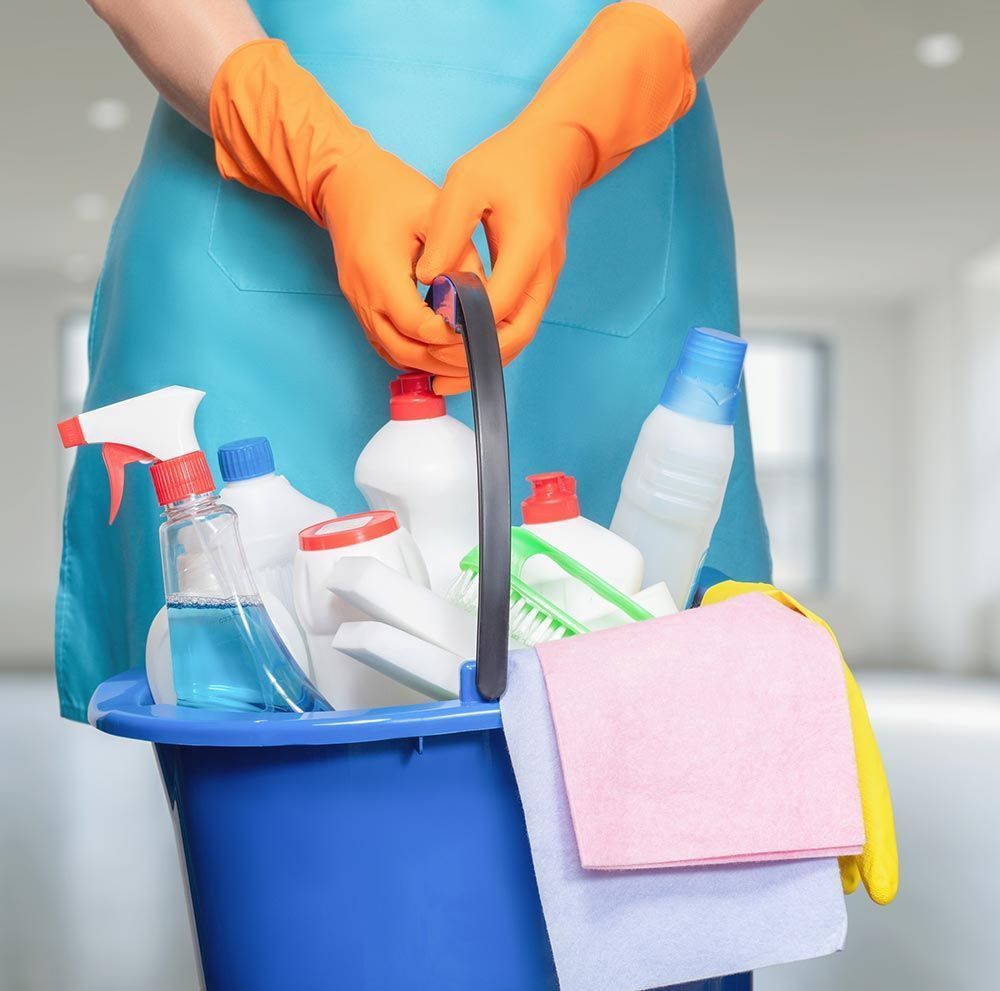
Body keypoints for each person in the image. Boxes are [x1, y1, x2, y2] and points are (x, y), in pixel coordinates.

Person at [57, 0, 768, 720]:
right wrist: (316, 154)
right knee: (250, 708)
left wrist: (576, 129)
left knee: (646, 705)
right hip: (246, 221)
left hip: (612, 229)